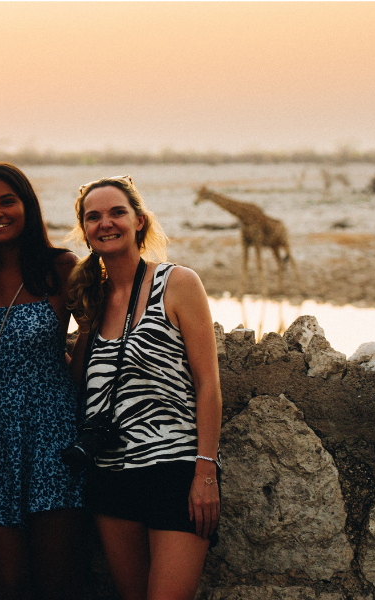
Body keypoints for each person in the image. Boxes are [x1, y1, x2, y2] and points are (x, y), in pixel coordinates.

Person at [66, 176, 222, 600]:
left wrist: (205, 472)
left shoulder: (177, 283)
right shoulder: (94, 298)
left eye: (117, 212)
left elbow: (208, 384)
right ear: (85, 230)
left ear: (139, 221)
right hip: (110, 476)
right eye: (93, 217)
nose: (106, 223)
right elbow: (83, 386)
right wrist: (83, 325)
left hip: (173, 470)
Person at [0, 163, 84, 600]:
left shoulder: (60, 268)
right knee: (7, 583)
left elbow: (90, 344)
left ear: (27, 205)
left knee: (57, 581)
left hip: (52, 438)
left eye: (7, 201)